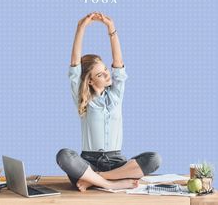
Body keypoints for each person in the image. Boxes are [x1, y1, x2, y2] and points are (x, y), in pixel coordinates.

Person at [56, 12, 162, 192]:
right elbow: (74, 65)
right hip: (87, 162)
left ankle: (94, 180)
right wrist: (80, 28)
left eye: (105, 69)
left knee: (154, 159)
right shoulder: (84, 99)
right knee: (64, 155)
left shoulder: (116, 94)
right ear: (89, 81)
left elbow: (118, 63)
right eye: (100, 74)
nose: (107, 74)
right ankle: (109, 184)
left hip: (116, 163)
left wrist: (111, 28)